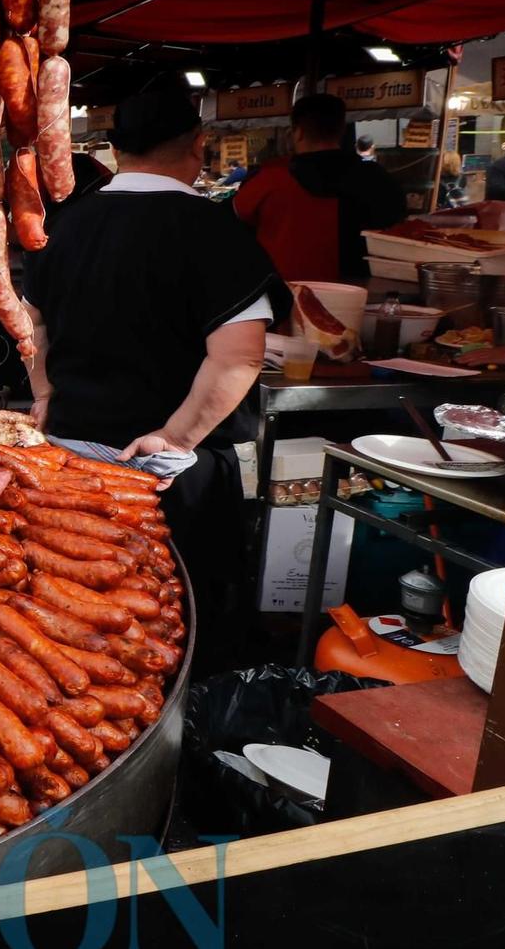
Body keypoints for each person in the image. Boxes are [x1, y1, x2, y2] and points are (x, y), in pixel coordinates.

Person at [23, 90, 291, 663]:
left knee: (75, 625)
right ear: (199, 145)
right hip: (167, 476)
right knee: (172, 625)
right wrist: (174, 437)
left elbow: (32, 325)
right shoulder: (216, 232)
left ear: (115, 148)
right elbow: (239, 357)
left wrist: (44, 393)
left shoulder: (62, 224)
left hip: (67, 460)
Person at [231, 94, 406, 281]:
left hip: (285, 291)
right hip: (362, 291)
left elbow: (234, 224)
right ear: (340, 130)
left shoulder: (268, 178)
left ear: (298, 133)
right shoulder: (379, 180)